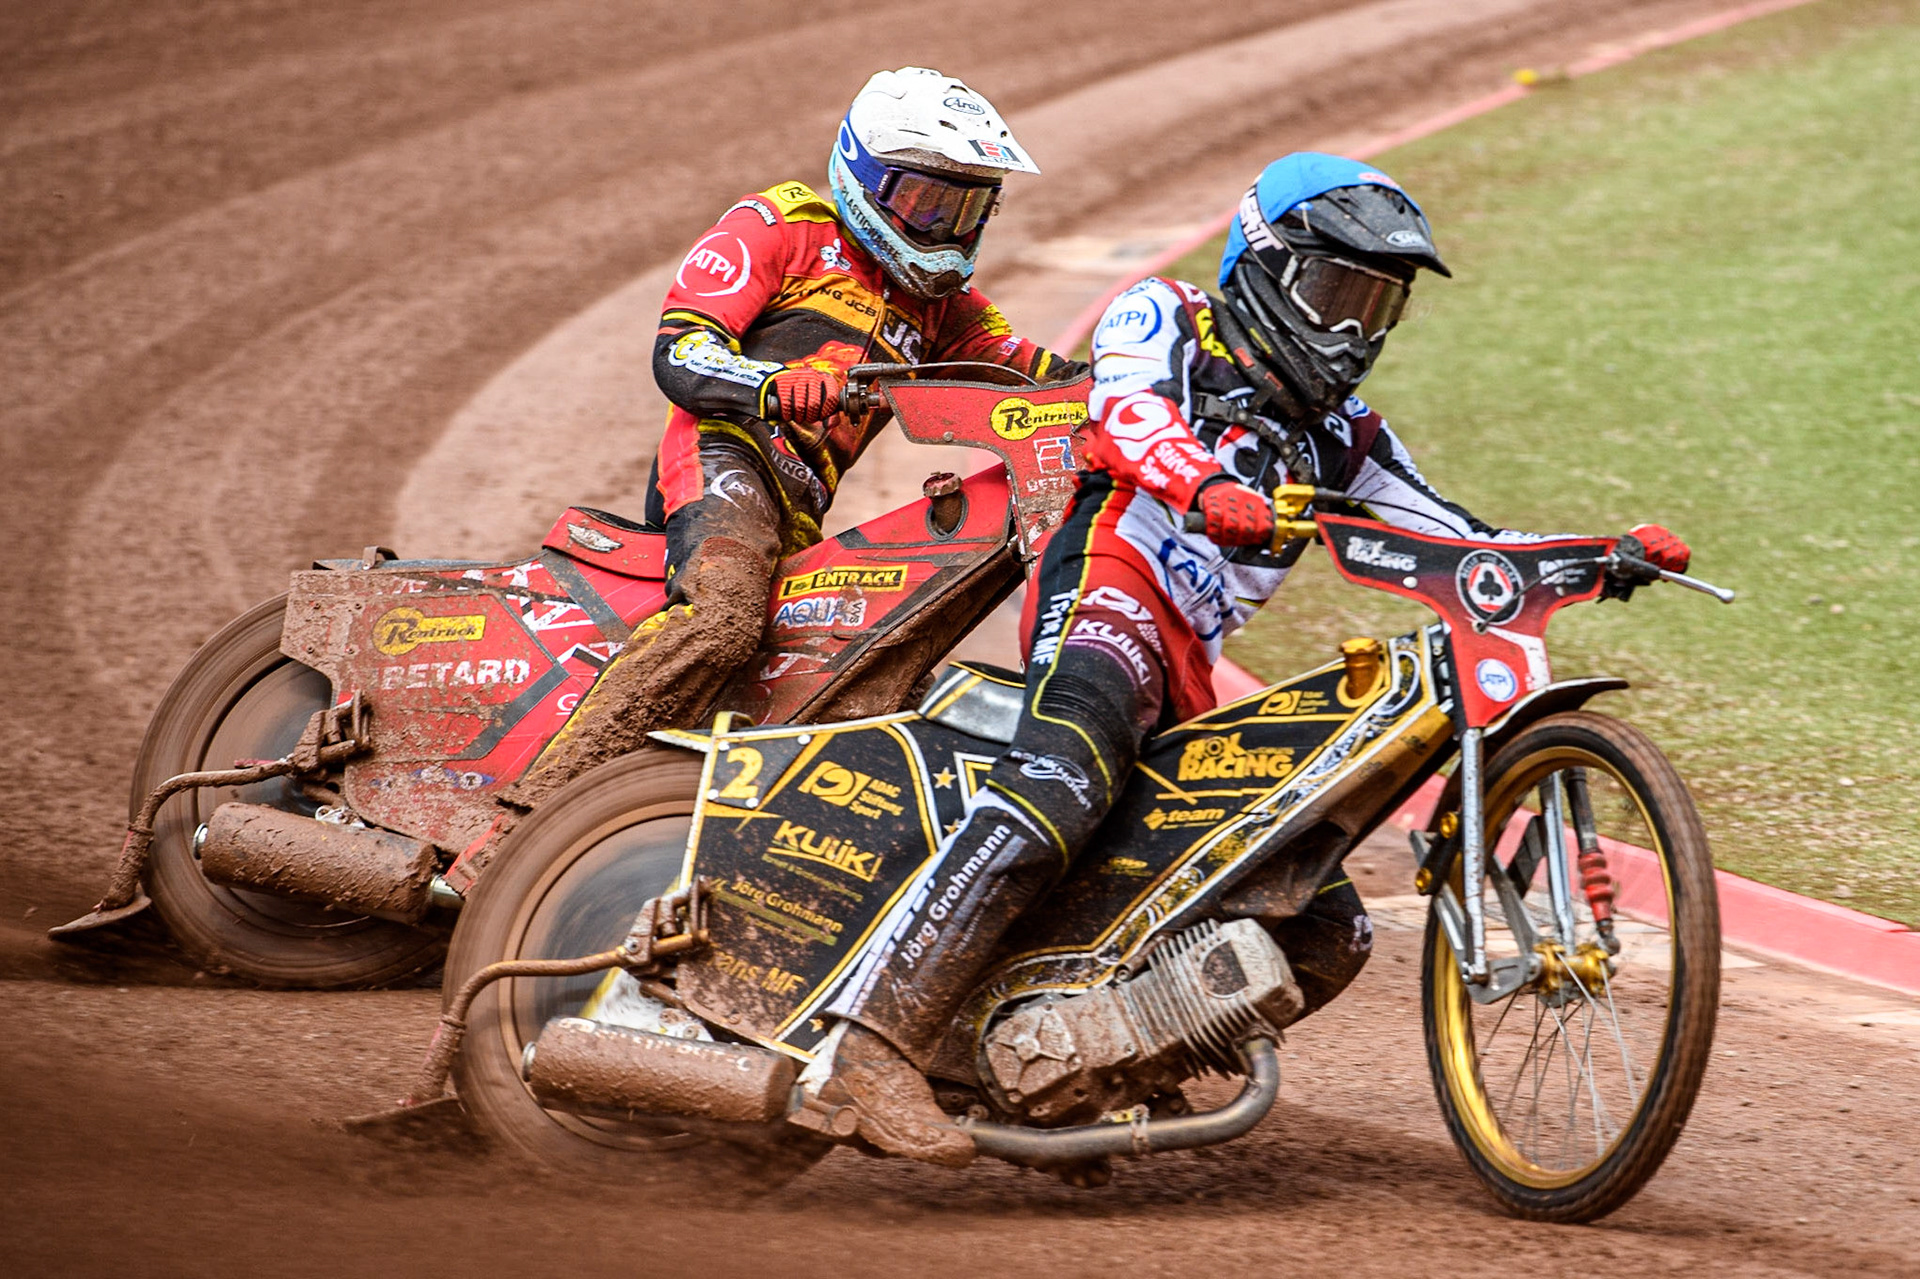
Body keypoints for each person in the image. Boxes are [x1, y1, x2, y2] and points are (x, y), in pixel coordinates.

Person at [816, 152, 1694, 1166]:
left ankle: (1088, 1058)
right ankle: (868, 1042)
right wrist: (1201, 487)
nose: (1354, 331)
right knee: (1066, 776)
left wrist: (1597, 557)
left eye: (1378, 307)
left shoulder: (1347, 439)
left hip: (1190, 670)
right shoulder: (1166, 316)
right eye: (1336, 294)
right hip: (1111, 585)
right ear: (1266, 265)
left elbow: (1460, 540)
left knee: (1325, 927)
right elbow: (1129, 413)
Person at [504, 68, 1084, 810]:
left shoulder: (947, 311)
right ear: (868, 177)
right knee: (723, 619)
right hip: (724, 457)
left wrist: (1137, 383)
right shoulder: (784, 227)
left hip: (800, 508)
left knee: (858, 662)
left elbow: (1037, 371)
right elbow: (681, 349)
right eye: (926, 201)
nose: (944, 226)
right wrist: (773, 384)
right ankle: (534, 808)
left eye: (967, 206)